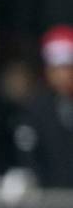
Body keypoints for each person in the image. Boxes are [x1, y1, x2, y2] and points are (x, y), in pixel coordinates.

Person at [9, 24, 73, 189]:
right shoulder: (34, 109)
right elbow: (28, 157)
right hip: (48, 201)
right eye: (55, 68)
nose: (62, 75)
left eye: (67, 67)